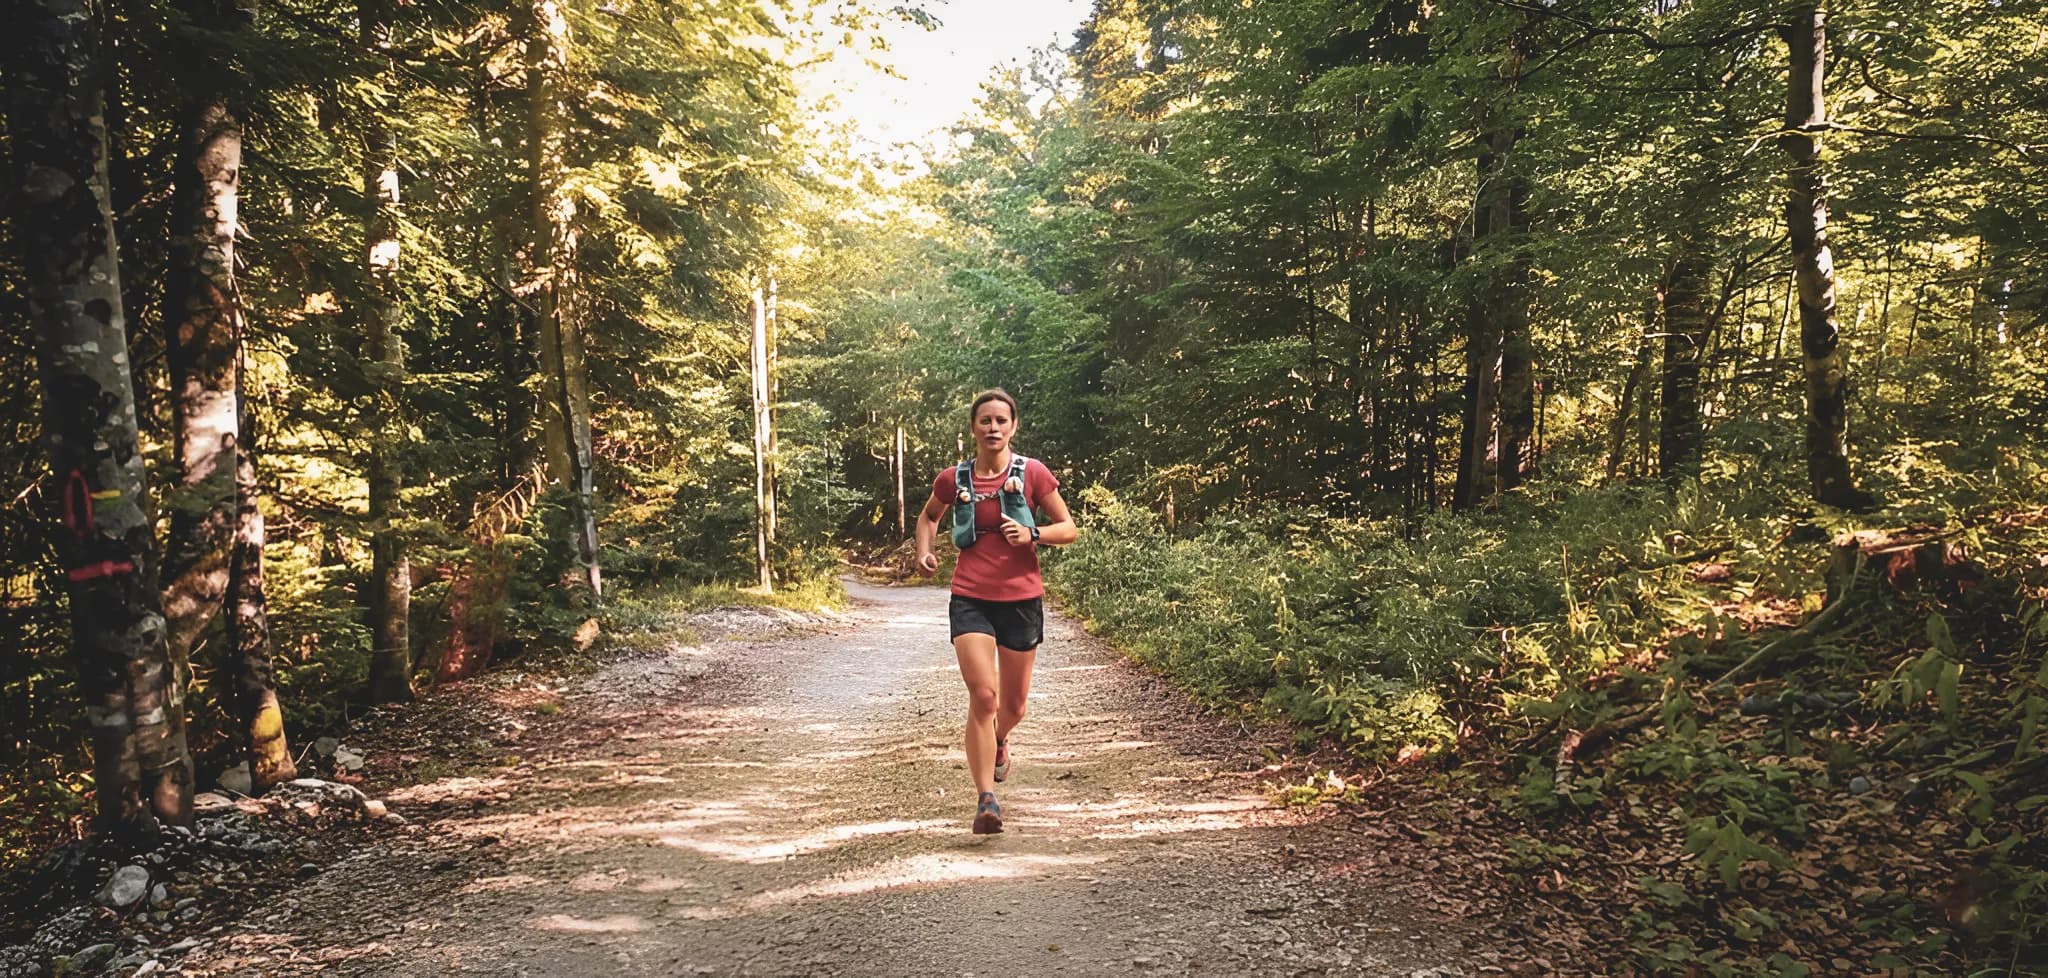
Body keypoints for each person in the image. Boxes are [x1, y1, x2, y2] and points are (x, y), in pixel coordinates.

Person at [915, 389, 1077, 834]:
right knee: (983, 695)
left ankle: (1000, 739)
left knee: (1014, 705)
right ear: (973, 428)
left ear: (1013, 426)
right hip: (970, 597)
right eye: (985, 420)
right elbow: (929, 517)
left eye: (1001, 421)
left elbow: (1069, 528)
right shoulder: (954, 478)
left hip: (1022, 599)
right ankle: (986, 798)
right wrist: (925, 551)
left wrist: (1034, 534)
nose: (993, 428)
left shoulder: (1033, 473)